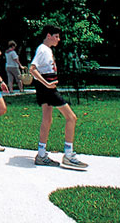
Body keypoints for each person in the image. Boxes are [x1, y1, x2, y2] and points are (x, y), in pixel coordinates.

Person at [29, 25, 88, 170]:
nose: (59, 39)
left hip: (46, 89)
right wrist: (47, 84)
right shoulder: (43, 49)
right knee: (71, 117)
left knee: (47, 119)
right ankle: (68, 155)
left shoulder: (46, 49)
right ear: (49, 35)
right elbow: (32, 69)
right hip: (48, 90)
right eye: (56, 36)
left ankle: (41, 154)